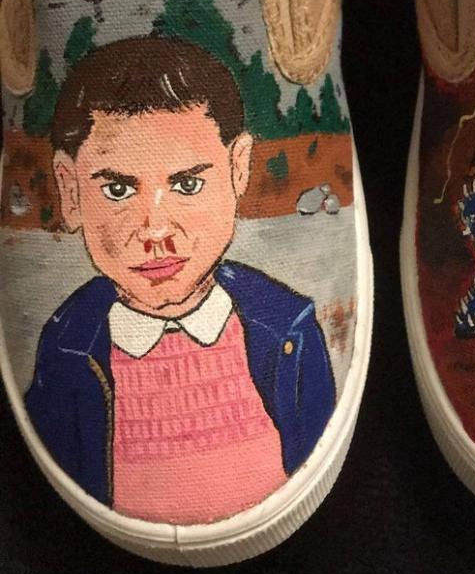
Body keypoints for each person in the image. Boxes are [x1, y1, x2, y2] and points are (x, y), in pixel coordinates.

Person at [25, 35, 335, 522]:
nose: (155, 230)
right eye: (117, 189)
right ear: (70, 188)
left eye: (188, 184)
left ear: (238, 169)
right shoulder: (64, 345)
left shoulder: (289, 324)